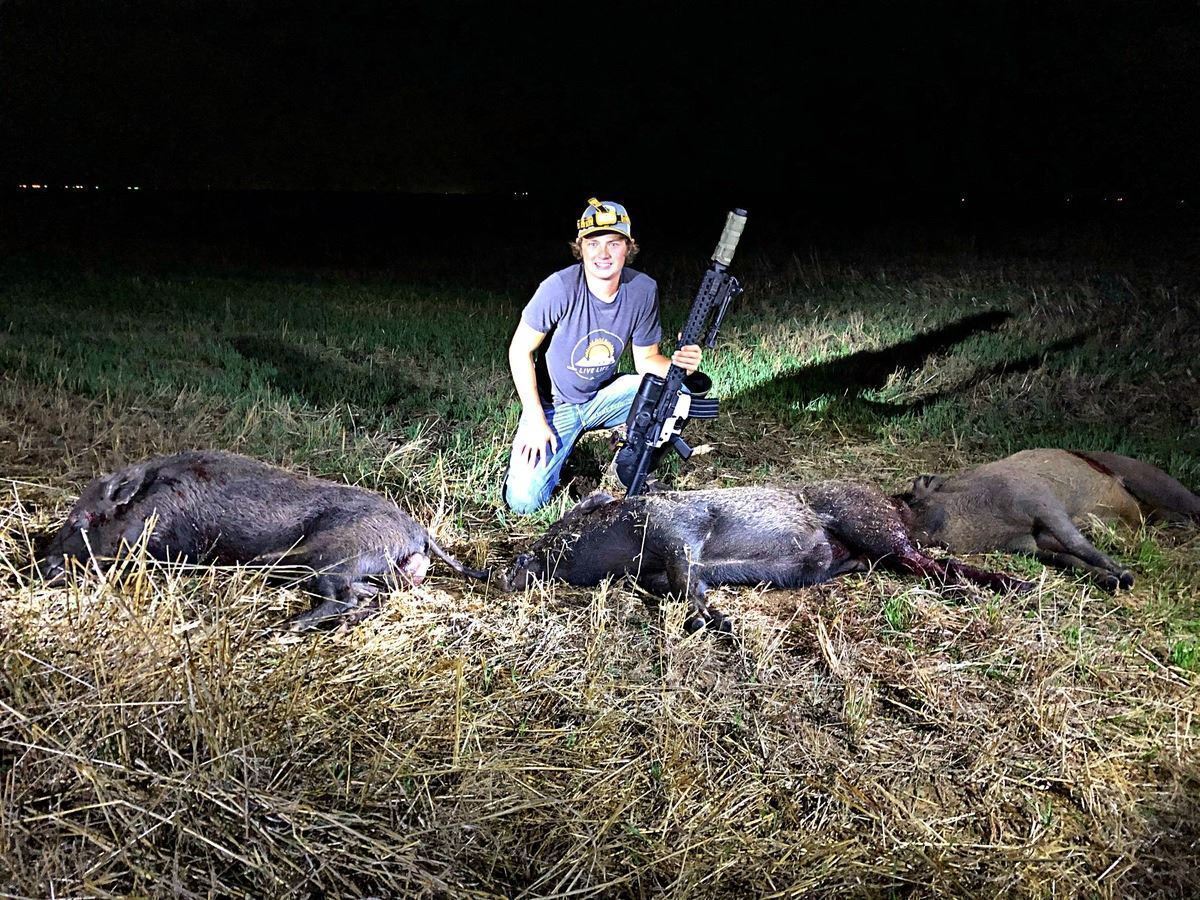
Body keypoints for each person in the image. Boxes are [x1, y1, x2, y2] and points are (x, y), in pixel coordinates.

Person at [503, 198, 702, 514]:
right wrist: (536, 418)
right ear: (580, 247)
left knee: (678, 393)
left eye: (614, 243)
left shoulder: (642, 290)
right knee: (524, 502)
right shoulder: (559, 287)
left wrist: (681, 364)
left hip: (601, 396)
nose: (603, 253)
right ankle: (553, 450)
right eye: (593, 243)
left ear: (629, 247)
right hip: (554, 405)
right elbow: (519, 350)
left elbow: (647, 361)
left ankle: (629, 465)